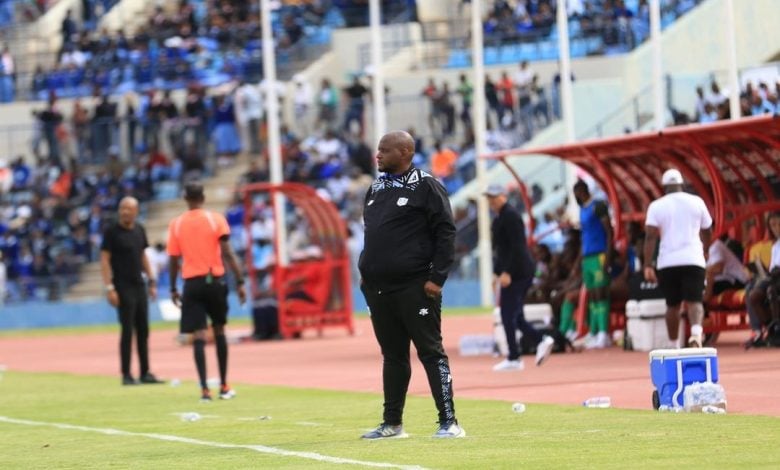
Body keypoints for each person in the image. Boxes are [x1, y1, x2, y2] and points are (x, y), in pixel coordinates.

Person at [358, 130, 464, 439]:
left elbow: (446, 232)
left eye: (384, 150)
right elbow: (372, 234)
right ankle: (393, 424)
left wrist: (437, 277)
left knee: (430, 352)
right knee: (393, 356)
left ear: (405, 152)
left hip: (416, 286)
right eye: (378, 150)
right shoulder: (376, 188)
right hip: (378, 288)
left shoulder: (427, 186)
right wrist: (366, 270)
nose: (377, 155)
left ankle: (449, 422)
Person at [167, 182, 247, 401]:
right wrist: (240, 281)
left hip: (191, 283)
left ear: (185, 198)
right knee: (219, 330)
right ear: (203, 197)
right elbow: (228, 253)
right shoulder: (215, 219)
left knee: (199, 335)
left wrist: (173, 287)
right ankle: (224, 385)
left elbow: (173, 259)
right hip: (215, 280)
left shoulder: (177, 224)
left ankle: (204, 389)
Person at [484, 184, 554, 371]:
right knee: (515, 315)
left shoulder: (511, 216)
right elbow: (501, 250)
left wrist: (506, 272)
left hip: (519, 272)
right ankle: (539, 341)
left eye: (493, 197)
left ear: (503, 196)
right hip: (514, 271)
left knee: (508, 315)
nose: (491, 201)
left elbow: (517, 247)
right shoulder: (500, 218)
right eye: (489, 198)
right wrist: (496, 273)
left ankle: (517, 355)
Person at [643, 169, 713, 348]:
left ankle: (674, 345)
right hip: (693, 259)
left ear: (664, 187)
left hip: (668, 262)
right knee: (694, 301)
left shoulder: (656, 206)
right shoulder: (697, 202)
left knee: (672, 305)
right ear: (682, 185)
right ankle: (696, 334)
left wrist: (647, 265)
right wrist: (706, 250)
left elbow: (650, 236)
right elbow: (707, 229)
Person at [100, 197, 164, 386]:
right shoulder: (112, 232)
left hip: (139, 285)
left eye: (129, 209)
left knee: (143, 330)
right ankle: (127, 374)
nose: (125, 212)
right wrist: (109, 287)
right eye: (122, 208)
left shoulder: (139, 230)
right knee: (127, 330)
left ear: (136, 211)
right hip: (122, 285)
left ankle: (145, 372)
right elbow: (104, 260)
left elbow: (143, 256)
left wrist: (151, 281)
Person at [572, 179, 614, 348]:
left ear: (584, 191)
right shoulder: (582, 209)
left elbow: (609, 232)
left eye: (578, 193)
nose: (577, 197)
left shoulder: (598, 206)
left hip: (599, 255)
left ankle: (604, 333)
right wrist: (580, 260)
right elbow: (584, 236)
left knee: (600, 292)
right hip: (587, 257)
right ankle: (594, 331)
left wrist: (608, 257)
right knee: (592, 295)